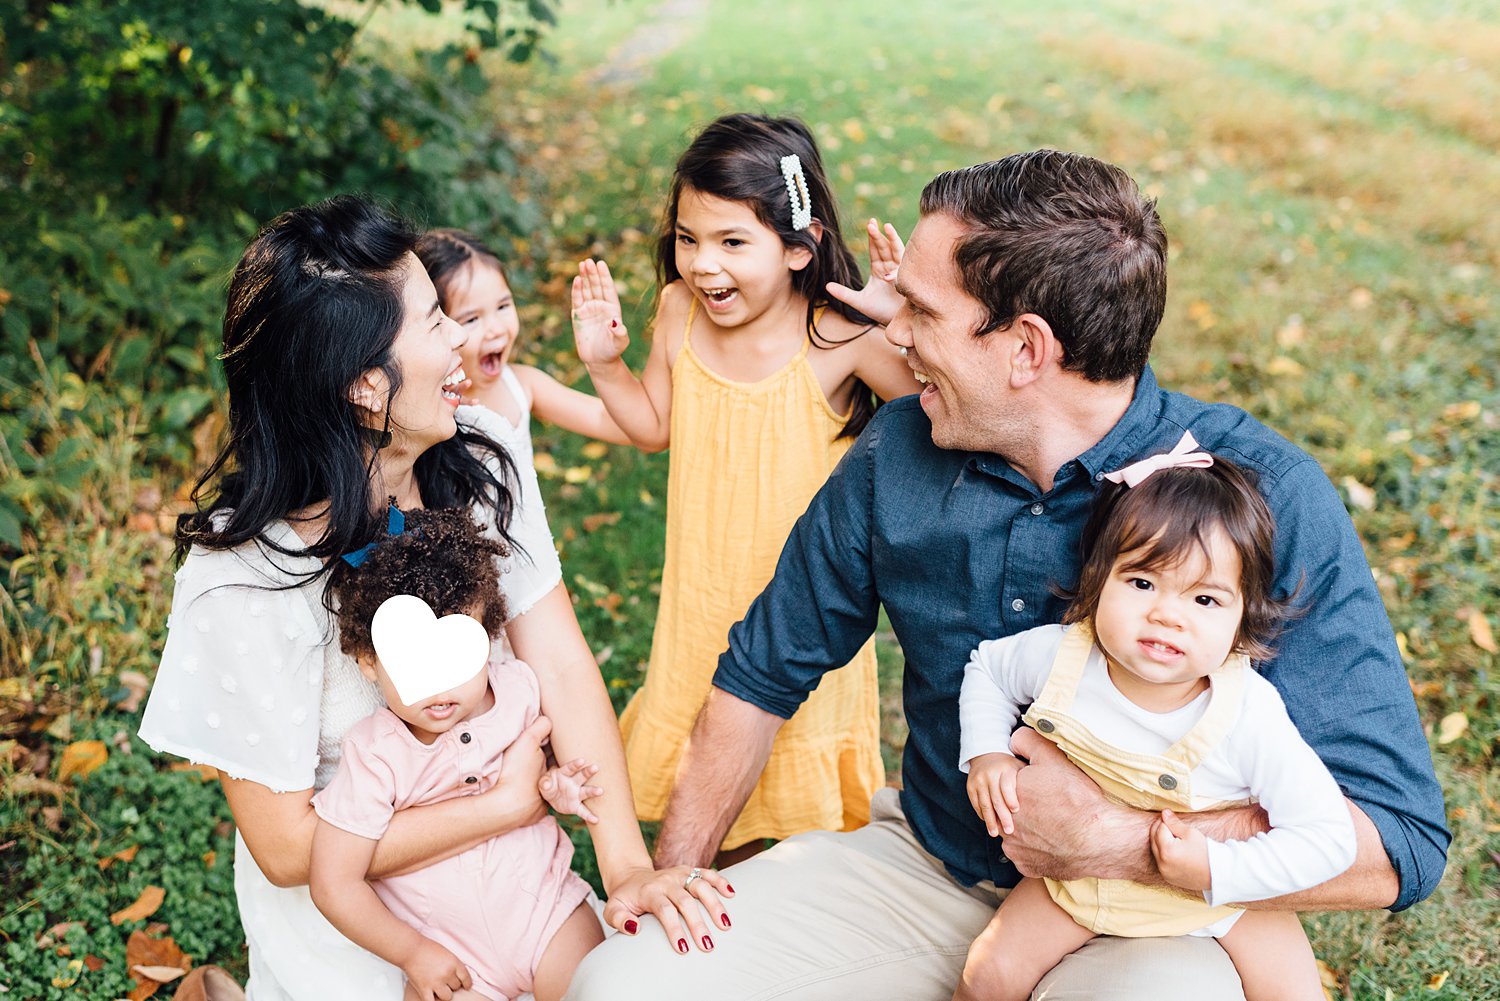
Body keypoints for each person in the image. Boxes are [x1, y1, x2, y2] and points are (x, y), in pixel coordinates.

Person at [566, 150, 1449, 1000]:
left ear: (1026, 348)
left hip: (1155, 918)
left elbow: (1399, 840)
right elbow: (760, 677)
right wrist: (675, 876)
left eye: (920, 311)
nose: (894, 332)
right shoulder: (899, 450)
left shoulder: (1259, 494)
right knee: (626, 980)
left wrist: (1122, 842)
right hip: (927, 864)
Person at [137, 195, 730, 1001]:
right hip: (359, 915)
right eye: (431, 322)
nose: (462, 335)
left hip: (517, 890)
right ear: (361, 388)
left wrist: (625, 863)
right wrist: (501, 804)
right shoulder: (244, 571)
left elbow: (557, 658)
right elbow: (285, 848)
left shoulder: (483, 455)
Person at [569, 113, 922, 860]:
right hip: (701, 601)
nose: (703, 265)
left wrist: (904, 327)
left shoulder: (838, 335)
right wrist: (606, 367)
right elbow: (654, 424)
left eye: (733, 243)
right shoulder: (677, 313)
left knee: (799, 834)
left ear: (799, 247)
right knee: (706, 791)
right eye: (689, 239)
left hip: (807, 612)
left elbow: (939, 409)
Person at [957, 439, 1355, 1000]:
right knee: (988, 973)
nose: (1167, 614)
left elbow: (1327, 838)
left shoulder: (1247, 714)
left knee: (1296, 993)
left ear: (1244, 616)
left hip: (1223, 900)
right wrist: (987, 751)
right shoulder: (1062, 658)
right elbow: (988, 671)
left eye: (1206, 601)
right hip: (1077, 881)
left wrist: (1217, 869)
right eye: (1142, 583)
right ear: (1098, 580)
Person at [309, 506, 605, 1001]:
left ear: (489, 639)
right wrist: (411, 953)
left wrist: (556, 785)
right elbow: (333, 883)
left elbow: (543, 769)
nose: (441, 684)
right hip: (451, 956)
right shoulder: (377, 755)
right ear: (369, 664)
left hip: (547, 915)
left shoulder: (518, 694)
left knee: (602, 987)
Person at [414, 229, 631, 470]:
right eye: (472, 319)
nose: (496, 329)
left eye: (503, 305)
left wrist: (607, 364)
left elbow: (623, 425)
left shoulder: (521, 385)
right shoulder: (425, 414)